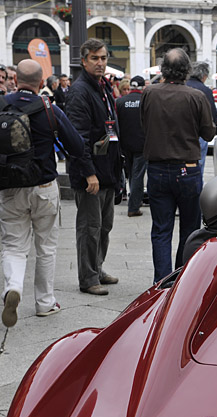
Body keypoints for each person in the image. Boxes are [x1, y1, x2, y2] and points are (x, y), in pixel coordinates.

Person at [0, 59, 87, 327]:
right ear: (42, 82)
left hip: (8, 187)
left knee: (13, 246)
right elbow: (75, 145)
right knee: (46, 247)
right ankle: (45, 303)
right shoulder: (48, 107)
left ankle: (13, 287)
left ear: (14, 80)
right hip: (43, 187)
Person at [140, 47, 214, 282]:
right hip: (188, 170)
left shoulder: (149, 92)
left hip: (158, 169)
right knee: (189, 230)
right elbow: (209, 133)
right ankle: (181, 280)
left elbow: (144, 123)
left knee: (161, 229)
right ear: (187, 70)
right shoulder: (196, 96)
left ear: (163, 69)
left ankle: (161, 282)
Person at [65, 38, 122, 295]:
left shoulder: (103, 86)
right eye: (95, 58)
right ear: (84, 60)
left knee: (104, 226)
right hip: (91, 173)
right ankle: (88, 278)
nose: (100, 63)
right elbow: (78, 138)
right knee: (89, 227)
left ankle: (97, 268)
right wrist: (89, 172)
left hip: (107, 168)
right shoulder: (80, 91)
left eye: (103, 58)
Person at [117, 75, 147, 218]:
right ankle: (134, 206)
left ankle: (134, 200)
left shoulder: (121, 102)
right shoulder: (146, 101)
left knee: (131, 175)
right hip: (142, 144)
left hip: (125, 144)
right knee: (137, 176)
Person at [185, 61, 217, 171]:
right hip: (198, 133)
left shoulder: (182, 86)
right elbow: (211, 113)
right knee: (199, 162)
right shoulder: (205, 90)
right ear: (203, 76)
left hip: (180, 132)